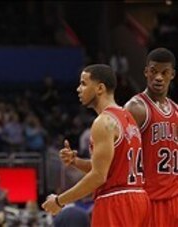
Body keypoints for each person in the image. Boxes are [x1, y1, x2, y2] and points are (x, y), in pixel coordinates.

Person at [42, 64, 150, 226]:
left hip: (115, 201)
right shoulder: (128, 118)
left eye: (84, 84)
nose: (79, 89)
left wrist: (59, 201)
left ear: (100, 88)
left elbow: (99, 176)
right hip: (139, 198)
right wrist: (76, 161)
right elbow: (112, 168)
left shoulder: (103, 122)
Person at [124, 47, 178, 227]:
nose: (159, 78)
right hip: (147, 198)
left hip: (174, 198)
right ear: (146, 71)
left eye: (165, 72)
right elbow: (120, 153)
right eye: (154, 72)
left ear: (172, 75)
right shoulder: (136, 108)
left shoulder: (177, 111)